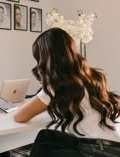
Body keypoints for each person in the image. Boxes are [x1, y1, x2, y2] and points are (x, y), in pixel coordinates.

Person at [13, 28, 120, 156]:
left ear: (46, 58)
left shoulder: (57, 85)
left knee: (44, 151)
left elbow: (19, 116)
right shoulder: (90, 76)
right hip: (111, 146)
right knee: (46, 137)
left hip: (97, 152)